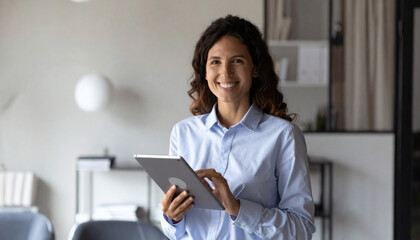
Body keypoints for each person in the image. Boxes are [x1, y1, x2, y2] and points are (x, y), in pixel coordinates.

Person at [160, 15, 316, 239]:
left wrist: (238, 208)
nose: (226, 73)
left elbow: (301, 230)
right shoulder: (183, 133)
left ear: (255, 68)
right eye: (215, 62)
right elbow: (174, 232)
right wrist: (171, 218)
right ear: (204, 71)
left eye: (237, 61)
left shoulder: (284, 136)